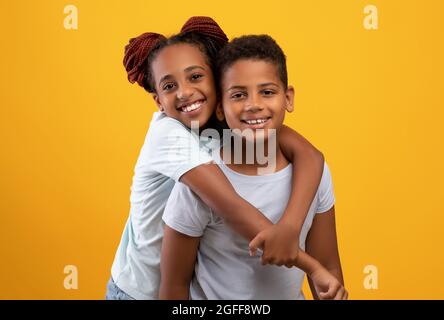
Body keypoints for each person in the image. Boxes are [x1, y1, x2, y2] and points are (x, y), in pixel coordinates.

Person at [107, 17, 325, 300]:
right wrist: (311, 266)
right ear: (159, 100)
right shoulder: (167, 134)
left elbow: (310, 155)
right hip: (138, 291)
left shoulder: (231, 120)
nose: (185, 92)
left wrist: (291, 225)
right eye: (169, 86)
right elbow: (228, 205)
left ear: (217, 80)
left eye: (195, 77)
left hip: (186, 286)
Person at [160, 35, 347, 300]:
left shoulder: (315, 174)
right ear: (220, 109)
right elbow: (173, 287)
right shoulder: (198, 183)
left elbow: (328, 266)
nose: (253, 104)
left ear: (288, 98)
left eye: (267, 92)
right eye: (238, 95)